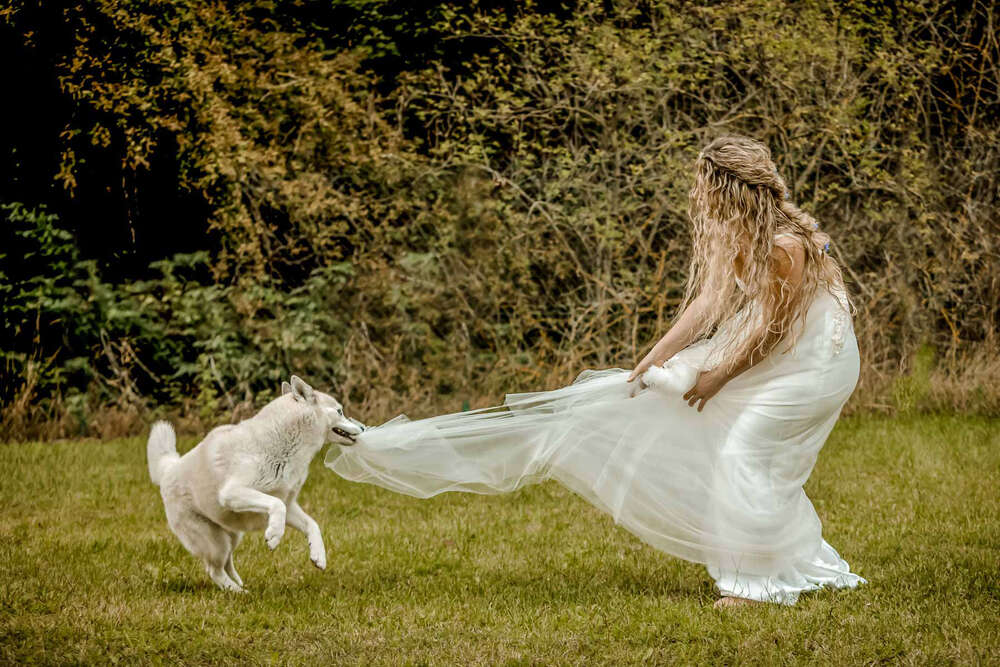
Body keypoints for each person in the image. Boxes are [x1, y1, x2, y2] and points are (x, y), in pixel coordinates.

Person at [326, 135, 865, 607]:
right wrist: (652, 359)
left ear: (727, 190)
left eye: (703, 186)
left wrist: (716, 377)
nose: (696, 196)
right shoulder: (737, 234)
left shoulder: (783, 246)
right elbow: (708, 304)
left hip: (812, 362)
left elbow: (771, 333)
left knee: (743, 452)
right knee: (664, 413)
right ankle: (795, 564)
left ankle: (756, 586)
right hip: (772, 347)